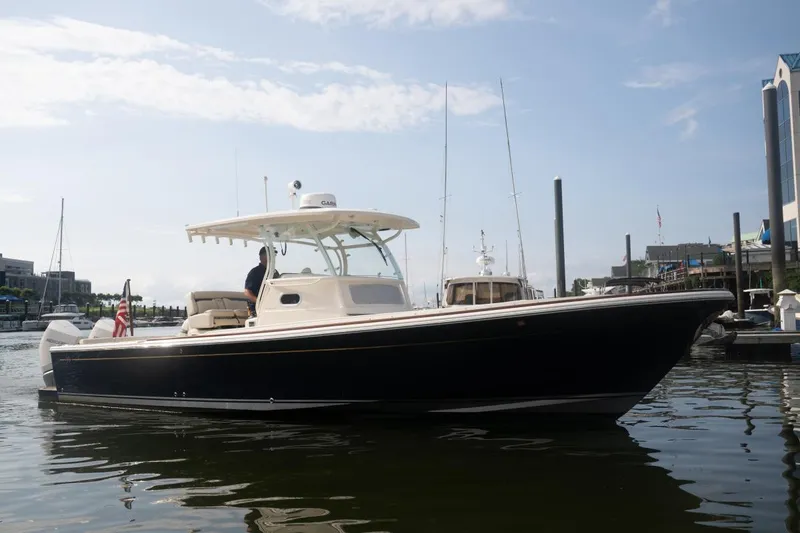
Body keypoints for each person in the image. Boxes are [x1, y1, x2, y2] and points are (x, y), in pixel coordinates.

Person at [244, 246, 280, 317]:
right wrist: (260, 302)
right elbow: (247, 292)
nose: (272, 257)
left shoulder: (275, 272)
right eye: (269, 255)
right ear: (261, 257)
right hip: (258, 310)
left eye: (274, 255)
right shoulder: (254, 272)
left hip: (274, 307)